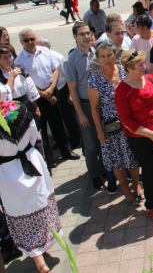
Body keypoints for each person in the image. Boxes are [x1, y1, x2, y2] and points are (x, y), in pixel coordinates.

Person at [0, 101, 62, 272]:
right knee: (39, 204)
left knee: (21, 212)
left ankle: (39, 260)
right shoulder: (19, 109)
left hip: (8, 172)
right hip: (30, 161)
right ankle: (42, 248)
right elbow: (35, 135)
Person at [115, 49, 153, 221]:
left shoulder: (150, 79)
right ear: (129, 68)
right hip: (140, 138)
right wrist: (151, 134)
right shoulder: (122, 90)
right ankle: (150, 204)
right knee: (148, 169)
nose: (144, 66)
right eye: (140, 65)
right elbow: (127, 122)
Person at [15, 29, 80, 168]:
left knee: (58, 124)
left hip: (52, 91)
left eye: (32, 39)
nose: (30, 42)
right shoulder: (19, 60)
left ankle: (66, 151)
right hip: (36, 98)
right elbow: (26, 81)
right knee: (42, 129)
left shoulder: (44, 51)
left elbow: (55, 70)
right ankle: (49, 159)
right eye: (26, 40)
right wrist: (43, 93)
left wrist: (51, 89)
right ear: (21, 42)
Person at [88, 41, 142, 205]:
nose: (107, 59)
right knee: (117, 159)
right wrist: (99, 130)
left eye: (109, 55)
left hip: (129, 123)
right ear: (98, 58)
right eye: (103, 56)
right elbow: (95, 108)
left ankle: (136, 185)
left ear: (115, 54)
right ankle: (125, 189)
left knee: (133, 156)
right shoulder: (94, 80)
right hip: (111, 128)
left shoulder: (124, 71)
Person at [65, 22, 112, 190]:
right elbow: (73, 90)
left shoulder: (96, 53)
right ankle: (94, 174)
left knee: (103, 138)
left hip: (101, 104)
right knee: (91, 143)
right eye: (82, 34)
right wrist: (81, 114)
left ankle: (105, 168)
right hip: (85, 105)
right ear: (75, 37)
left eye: (88, 33)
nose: (86, 36)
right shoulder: (71, 60)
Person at [36, 37, 81, 152]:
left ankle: (75, 140)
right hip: (48, 92)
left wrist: (71, 93)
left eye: (39, 46)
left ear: (47, 46)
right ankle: (59, 140)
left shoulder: (57, 57)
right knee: (56, 120)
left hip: (63, 89)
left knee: (68, 117)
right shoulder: (39, 58)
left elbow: (69, 76)